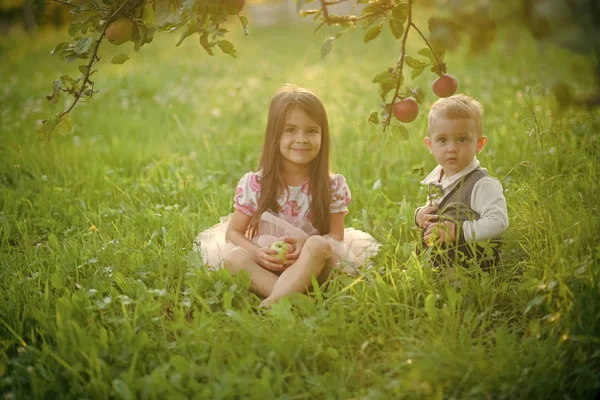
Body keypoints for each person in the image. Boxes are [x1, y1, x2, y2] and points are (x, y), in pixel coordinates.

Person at [195, 84, 379, 307]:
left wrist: (306, 241)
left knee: (319, 245)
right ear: (275, 135)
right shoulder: (257, 184)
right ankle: (294, 299)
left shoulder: (332, 185)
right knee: (234, 259)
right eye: (290, 130)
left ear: (323, 134)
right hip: (268, 263)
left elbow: (336, 235)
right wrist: (257, 251)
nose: (302, 139)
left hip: (312, 263)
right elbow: (234, 232)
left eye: (311, 131)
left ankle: (277, 300)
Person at [414, 94, 509, 269]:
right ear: (430, 146)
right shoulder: (437, 178)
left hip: (471, 266)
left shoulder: (482, 185)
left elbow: (498, 222)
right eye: (442, 140)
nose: (452, 148)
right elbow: (434, 210)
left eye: (462, 139)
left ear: (479, 144)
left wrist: (459, 231)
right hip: (439, 261)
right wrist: (421, 215)